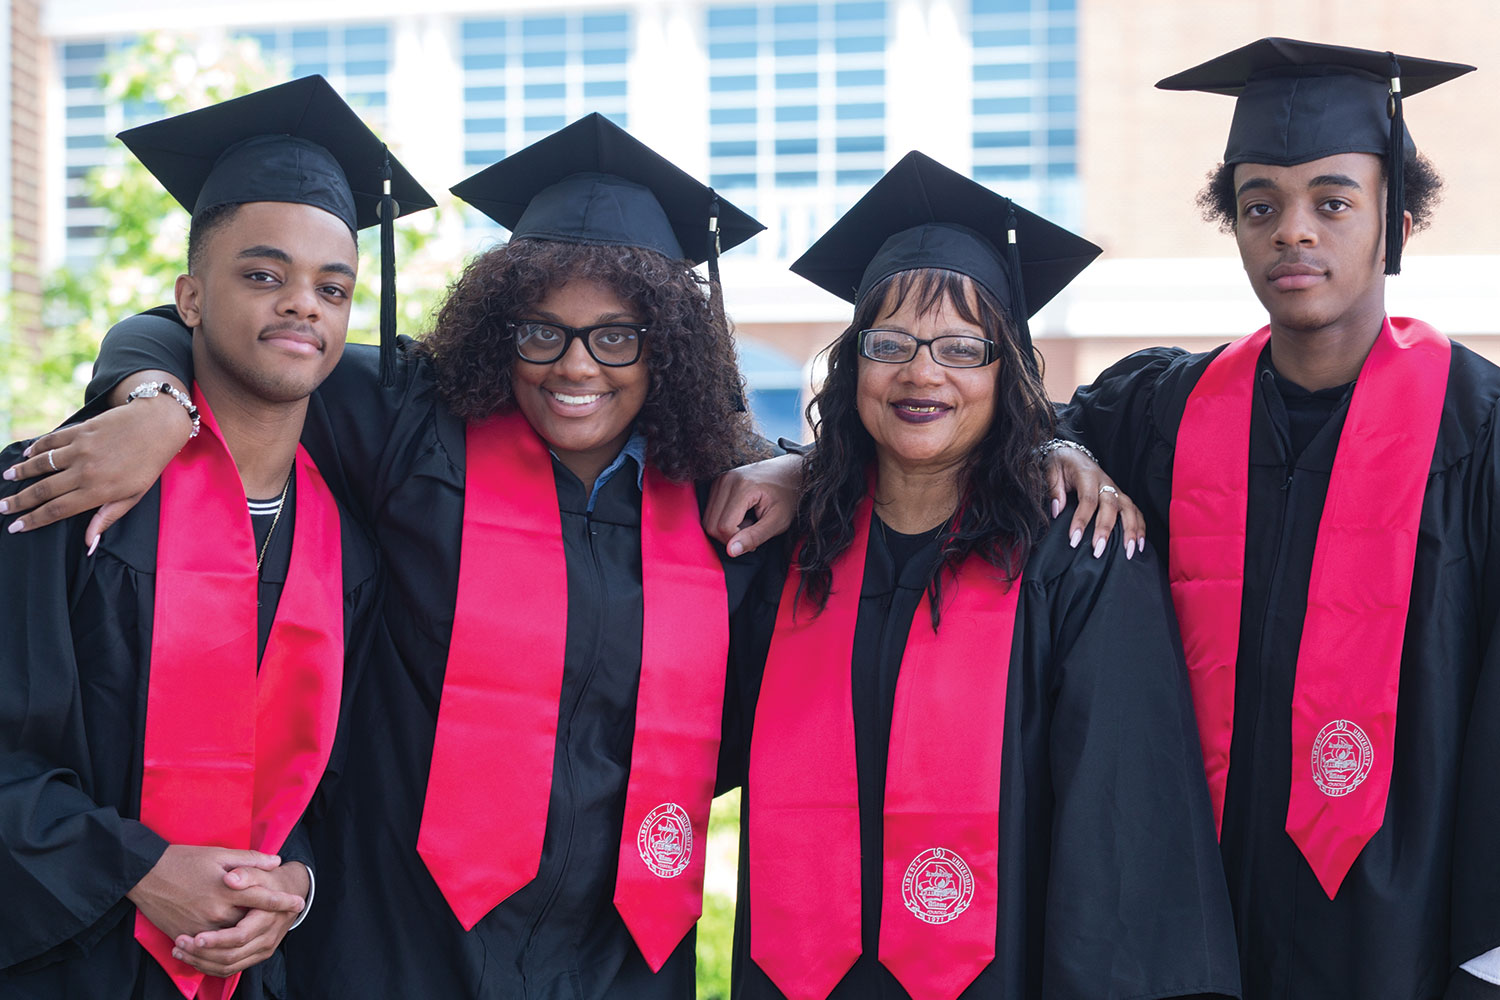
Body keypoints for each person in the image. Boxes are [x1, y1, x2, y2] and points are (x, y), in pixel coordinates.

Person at [11, 114, 775, 999]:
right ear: (501, 326)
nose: (577, 367)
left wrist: (793, 467)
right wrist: (151, 400)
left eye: (618, 336)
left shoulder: (729, 508)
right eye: (540, 331)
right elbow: (233, 338)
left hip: (621, 958)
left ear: (667, 345)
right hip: (396, 942)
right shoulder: (413, 425)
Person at [720, 151, 1240, 1000]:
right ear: (855, 364)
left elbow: (1123, 838)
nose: (923, 374)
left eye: (964, 347)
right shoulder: (790, 548)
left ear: (1009, 371)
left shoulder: (1079, 555)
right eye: (890, 344)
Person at [1054, 40, 1500, 999]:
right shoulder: (1158, 412)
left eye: (1333, 202)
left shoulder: (1480, 437)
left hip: (1402, 933)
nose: (1293, 231)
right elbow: (1009, 437)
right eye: (1261, 205)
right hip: (1192, 916)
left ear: (1398, 224)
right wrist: (1068, 452)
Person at [0, 76, 432, 999]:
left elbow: (341, 784)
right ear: (189, 299)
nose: (302, 306)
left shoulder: (351, 549)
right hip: (59, 965)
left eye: (332, 287)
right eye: (263, 275)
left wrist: (296, 889)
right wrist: (134, 867)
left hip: (247, 975)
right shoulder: (59, 490)